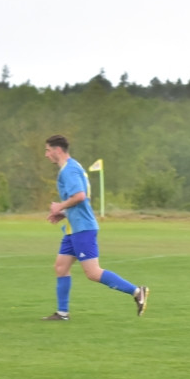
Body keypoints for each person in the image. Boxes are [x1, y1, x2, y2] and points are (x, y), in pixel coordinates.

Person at [41, 134, 148, 321]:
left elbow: (80, 196)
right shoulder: (73, 167)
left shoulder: (69, 170)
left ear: (58, 150)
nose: (46, 154)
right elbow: (80, 200)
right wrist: (64, 214)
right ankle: (62, 313)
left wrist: (60, 206)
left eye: (48, 150)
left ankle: (137, 292)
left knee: (92, 272)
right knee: (60, 267)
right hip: (73, 229)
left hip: (83, 228)